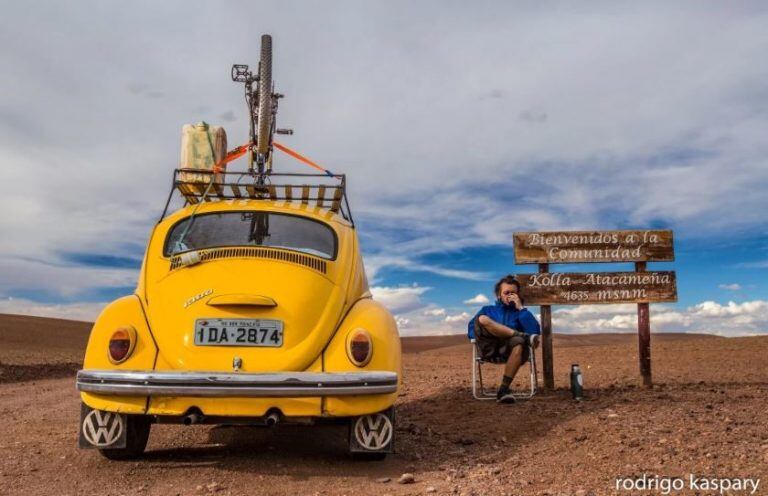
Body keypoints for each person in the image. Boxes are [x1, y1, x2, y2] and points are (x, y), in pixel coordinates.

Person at [468, 274, 540, 404]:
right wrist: (479, 336)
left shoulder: (521, 313)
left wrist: (521, 308)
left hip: (510, 351)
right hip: (489, 348)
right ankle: (519, 334)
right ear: (498, 295)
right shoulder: (488, 310)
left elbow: (534, 332)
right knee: (482, 319)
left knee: (519, 342)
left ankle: (503, 389)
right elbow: (472, 328)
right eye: (507, 292)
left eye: (514, 293)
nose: (510, 295)